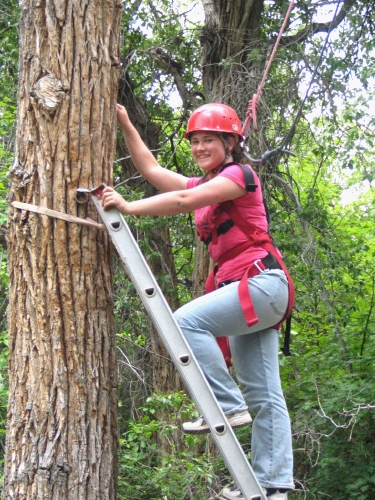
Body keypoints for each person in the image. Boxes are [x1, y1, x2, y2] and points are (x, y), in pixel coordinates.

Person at [102, 102, 294, 500]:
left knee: (185, 322)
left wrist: (127, 206)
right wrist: (123, 122)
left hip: (262, 283)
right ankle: (273, 485)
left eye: (209, 140)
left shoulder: (238, 175)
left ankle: (225, 404)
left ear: (229, 143)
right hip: (247, 293)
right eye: (195, 141)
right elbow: (152, 173)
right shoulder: (204, 184)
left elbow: (182, 203)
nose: (199, 147)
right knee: (264, 394)